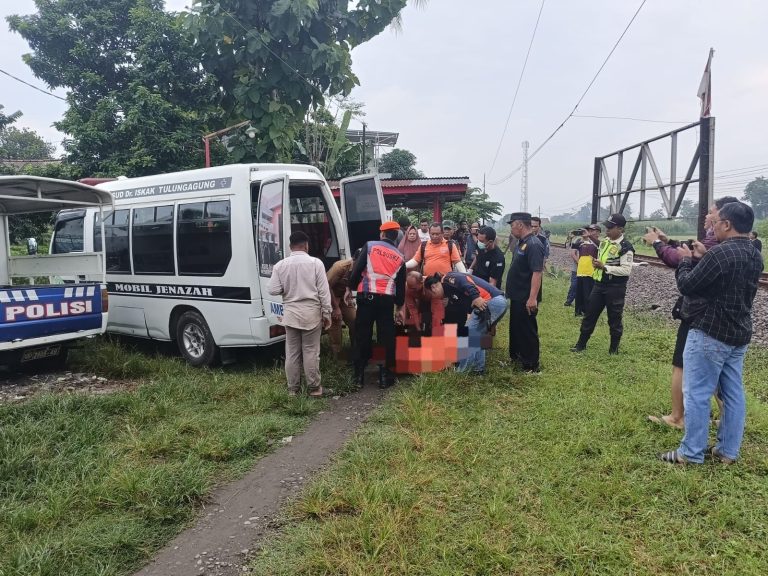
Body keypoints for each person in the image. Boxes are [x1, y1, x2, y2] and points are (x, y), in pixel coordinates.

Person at [659, 201, 763, 464]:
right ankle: (728, 451)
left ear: (727, 224)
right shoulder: (754, 254)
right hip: (738, 333)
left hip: (710, 333)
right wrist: (705, 256)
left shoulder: (721, 254)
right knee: (733, 394)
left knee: (696, 393)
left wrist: (684, 261)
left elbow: (688, 285)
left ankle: (691, 453)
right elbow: (727, 280)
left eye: (716, 222)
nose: (713, 226)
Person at [643, 196, 738, 429]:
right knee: (717, 371)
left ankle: (678, 417)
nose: (707, 216)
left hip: (699, 313)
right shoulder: (734, 245)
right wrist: (669, 240)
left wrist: (657, 244)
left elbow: (683, 263)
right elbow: (691, 252)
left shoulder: (717, 243)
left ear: (725, 220)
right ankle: (727, 419)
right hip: (720, 316)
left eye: (712, 213)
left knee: (681, 364)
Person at [268, 231, 332, 397]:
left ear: (290, 247)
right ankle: (315, 388)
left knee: (292, 353)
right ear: (306, 245)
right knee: (310, 351)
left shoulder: (280, 265)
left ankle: (293, 389)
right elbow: (324, 292)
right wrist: (327, 314)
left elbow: (272, 289)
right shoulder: (315, 263)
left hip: (291, 314)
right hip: (311, 313)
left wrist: (286, 289)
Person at [346, 221, 406, 389]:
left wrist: (350, 288)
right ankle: (386, 376)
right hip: (386, 301)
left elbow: (357, 270)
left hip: (366, 298)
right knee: (386, 338)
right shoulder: (400, 257)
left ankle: (358, 376)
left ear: (382, 234)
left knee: (362, 335)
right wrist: (399, 307)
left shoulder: (370, 246)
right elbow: (401, 286)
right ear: (396, 238)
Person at [571, 214, 634, 354]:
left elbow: (626, 270)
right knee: (589, 315)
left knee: (614, 319)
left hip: (615, 288)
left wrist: (604, 267)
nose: (607, 230)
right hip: (599, 285)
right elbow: (599, 248)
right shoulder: (606, 241)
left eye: (610, 227)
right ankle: (580, 344)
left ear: (620, 229)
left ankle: (613, 349)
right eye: (607, 227)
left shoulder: (625, 247)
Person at [425, 271, 508, 374]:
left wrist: (476, 296)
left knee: (467, 334)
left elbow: (465, 281)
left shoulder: (448, 278)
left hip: (492, 300)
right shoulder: (449, 292)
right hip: (496, 301)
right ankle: (478, 369)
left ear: (433, 287)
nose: (434, 298)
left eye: (431, 295)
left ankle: (463, 371)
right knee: (477, 335)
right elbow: (465, 306)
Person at [406, 222, 466, 333]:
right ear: (429, 233)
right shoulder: (424, 245)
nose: (434, 236)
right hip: (428, 285)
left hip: (445, 285)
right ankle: (427, 333)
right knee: (426, 311)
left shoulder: (450, 245)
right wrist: (403, 265)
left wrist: (466, 277)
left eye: (437, 234)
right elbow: (415, 261)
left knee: (445, 311)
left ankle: (444, 334)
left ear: (442, 233)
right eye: (432, 234)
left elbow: (458, 263)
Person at [505, 212, 545, 373]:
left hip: (526, 297)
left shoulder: (534, 244)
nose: (511, 228)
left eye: (512, 224)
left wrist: (532, 298)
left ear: (520, 224)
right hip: (517, 296)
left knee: (527, 330)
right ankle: (518, 357)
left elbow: (537, 272)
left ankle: (531, 365)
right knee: (516, 328)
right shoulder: (522, 243)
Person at [326, 257, 356, 359]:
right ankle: (337, 357)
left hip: (344, 297)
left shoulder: (362, 266)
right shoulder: (340, 267)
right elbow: (326, 286)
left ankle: (355, 351)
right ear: (354, 260)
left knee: (355, 320)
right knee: (335, 323)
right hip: (330, 297)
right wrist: (335, 307)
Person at [575, 225, 600, 316]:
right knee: (579, 293)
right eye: (588, 230)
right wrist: (575, 236)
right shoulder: (581, 242)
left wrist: (589, 237)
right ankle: (578, 311)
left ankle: (587, 312)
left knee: (588, 293)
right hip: (580, 271)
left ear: (597, 232)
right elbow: (572, 247)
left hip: (590, 272)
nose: (588, 232)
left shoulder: (597, 243)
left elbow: (599, 245)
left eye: (591, 231)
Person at [564, 230, 582, 306]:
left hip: (586, 269)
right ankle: (568, 301)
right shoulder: (578, 240)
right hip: (577, 268)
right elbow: (572, 253)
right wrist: (580, 263)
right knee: (574, 285)